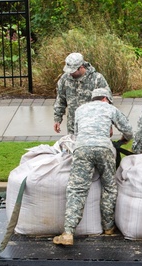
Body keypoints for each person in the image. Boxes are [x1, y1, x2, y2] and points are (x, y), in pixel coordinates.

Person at [53, 88, 133, 246]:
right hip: (104, 149)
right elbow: (129, 131)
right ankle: (108, 227)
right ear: (105, 99)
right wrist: (122, 140)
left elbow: (76, 133)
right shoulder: (110, 108)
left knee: (77, 189)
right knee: (109, 187)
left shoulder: (80, 109)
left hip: (82, 148)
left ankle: (68, 232)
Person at [53, 52, 110, 136]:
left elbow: (107, 103)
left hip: (93, 126)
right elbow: (60, 100)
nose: (70, 73)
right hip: (73, 127)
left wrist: (108, 125)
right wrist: (57, 119)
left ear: (81, 67)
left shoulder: (97, 79)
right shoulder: (65, 79)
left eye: (73, 71)